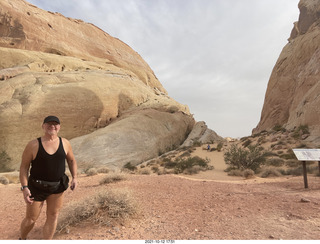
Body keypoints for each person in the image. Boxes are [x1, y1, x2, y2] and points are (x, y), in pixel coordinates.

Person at [19, 115, 78, 240]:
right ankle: (22, 239)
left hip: (57, 186)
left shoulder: (65, 143)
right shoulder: (33, 144)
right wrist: (25, 187)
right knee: (31, 219)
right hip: (36, 187)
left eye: (55, 124)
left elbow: (72, 161)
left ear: (59, 127)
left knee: (53, 215)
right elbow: (24, 167)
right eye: (49, 124)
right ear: (43, 126)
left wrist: (75, 177)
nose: (52, 126)